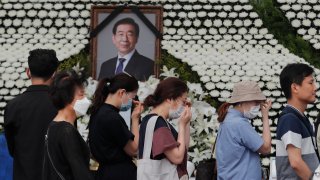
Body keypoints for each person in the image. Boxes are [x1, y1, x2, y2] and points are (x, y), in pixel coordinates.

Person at [4, 49, 59, 180]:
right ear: (54, 74)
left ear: (28, 72)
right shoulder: (62, 105)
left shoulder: (13, 106)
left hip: (24, 174)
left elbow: (12, 149)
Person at [88, 73, 143, 180]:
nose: (133, 101)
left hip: (103, 172)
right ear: (122, 92)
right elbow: (133, 150)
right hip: (119, 173)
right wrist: (135, 119)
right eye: (133, 96)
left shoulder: (97, 112)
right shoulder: (112, 117)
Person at [42, 71, 93, 180]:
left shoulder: (54, 125)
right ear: (67, 98)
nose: (86, 100)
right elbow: (80, 172)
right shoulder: (66, 131)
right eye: (81, 95)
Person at [216, 81, 272, 180]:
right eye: (256, 102)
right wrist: (265, 116)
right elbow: (266, 149)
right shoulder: (239, 124)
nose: (258, 106)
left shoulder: (227, 119)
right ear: (242, 102)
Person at [139, 77, 192, 179]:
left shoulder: (150, 120)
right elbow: (177, 158)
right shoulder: (158, 124)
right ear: (169, 98)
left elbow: (183, 148)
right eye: (184, 101)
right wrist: (181, 125)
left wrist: (186, 122)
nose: (185, 105)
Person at [276, 63, 319, 180]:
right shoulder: (289, 119)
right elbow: (295, 162)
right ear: (295, 87)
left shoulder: (300, 118)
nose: (315, 87)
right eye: (310, 83)